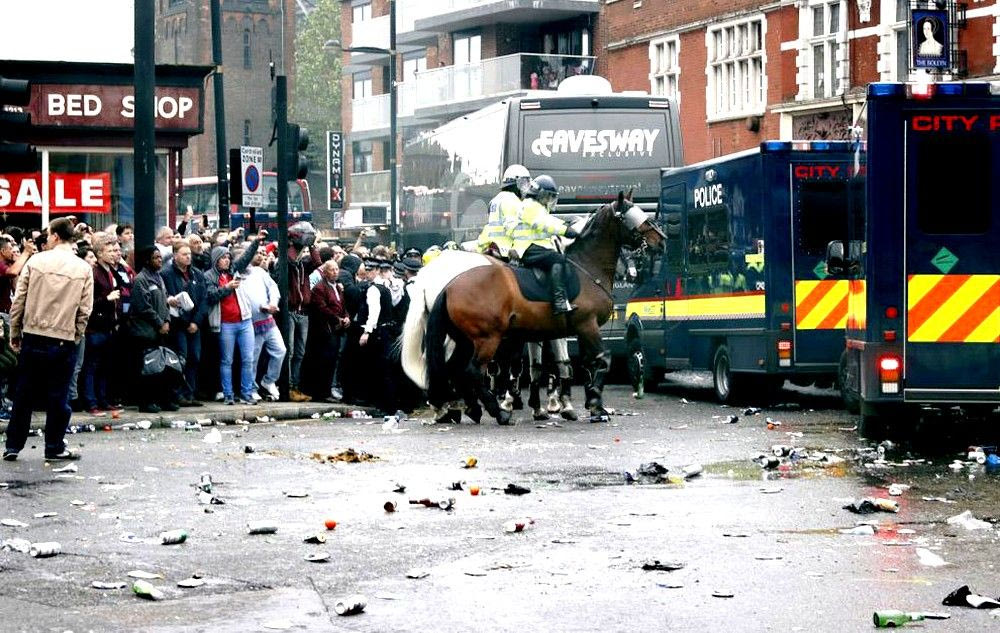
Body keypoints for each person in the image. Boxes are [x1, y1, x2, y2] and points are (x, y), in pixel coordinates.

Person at [4, 218, 93, 462]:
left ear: (54, 235)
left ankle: (13, 445)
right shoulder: (82, 268)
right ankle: (53, 446)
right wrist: (76, 334)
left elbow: (19, 300)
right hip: (63, 337)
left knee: (24, 395)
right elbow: (85, 309)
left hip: (34, 335)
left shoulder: (36, 262)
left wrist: (16, 332)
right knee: (58, 396)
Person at [508, 174, 580, 314]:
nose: (550, 200)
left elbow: (549, 221)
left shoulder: (536, 207)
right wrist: (566, 230)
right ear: (540, 194)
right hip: (527, 247)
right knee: (558, 259)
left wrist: (566, 225)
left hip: (532, 246)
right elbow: (544, 223)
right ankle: (559, 301)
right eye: (548, 196)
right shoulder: (531, 206)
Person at [206, 233, 263, 405]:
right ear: (216, 259)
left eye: (228, 257)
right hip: (226, 324)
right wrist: (227, 288)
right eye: (223, 258)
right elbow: (210, 296)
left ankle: (246, 394)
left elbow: (245, 258)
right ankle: (228, 394)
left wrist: (256, 242)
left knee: (248, 359)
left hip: (244, 321)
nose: (227, 260)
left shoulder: (233, 270)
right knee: (227, 360)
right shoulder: (209, 276)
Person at [129, 246, 180, 414]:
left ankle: (163, 399)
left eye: (160, 257)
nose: (159, 260)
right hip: (145, 331)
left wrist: (166, 320)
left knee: (162, 367)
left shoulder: (158, 278)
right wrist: (159, 323)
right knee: (147, 369)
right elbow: (143, 306)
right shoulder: (141, 279)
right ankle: (146, 402)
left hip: (160, 331)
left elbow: (164, 301)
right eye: (155, 257)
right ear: (147, 260)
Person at [160, 240, 209, 406]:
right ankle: (177, 393)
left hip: (195, 324)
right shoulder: (166, 274)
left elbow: (204, 299)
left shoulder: (197, 274)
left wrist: (196, 321)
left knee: (195, 357)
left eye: (189, 254)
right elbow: (166, 298)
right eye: (184, 254)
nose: (188, 257)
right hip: (178, 323)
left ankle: (190, 393)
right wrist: (185, 321)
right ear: (175, 255)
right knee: (181, 358)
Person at [81, 234, 122, 416]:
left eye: (115, 250)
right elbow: (88, 300)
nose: (114, 254)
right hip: (95, 327)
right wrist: (107, 299)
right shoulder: (94, 272)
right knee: (92, 366)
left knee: (105, 366)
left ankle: (103, 399)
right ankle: (91, 402)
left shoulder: (109, 271)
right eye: (110, 251)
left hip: (108, 325)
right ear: (99, 253)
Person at [283, 222, 322, 402]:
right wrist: (293, 243)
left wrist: (312, 245)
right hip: (290, 311)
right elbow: (290, 259)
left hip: (303, 313)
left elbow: (318, 263)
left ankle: (296, 386)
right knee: (289, 352)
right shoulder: (287, 262)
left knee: (299, 353)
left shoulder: (304, 266)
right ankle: (288, 386)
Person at [243, 245, 285, 401]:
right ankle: (251, 387)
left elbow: (273, 289)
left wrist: (273, 303)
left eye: (262, 253)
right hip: (250, 323)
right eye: (257, 253)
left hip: (267, 320)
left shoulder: (261, 272)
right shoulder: (238, 274)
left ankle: (268, 380)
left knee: (280, 350)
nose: (261, 256)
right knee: (252, 358)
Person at [305, 260, 349, 402]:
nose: (335, 272)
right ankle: (321, 393)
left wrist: (346, 317)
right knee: (323, 361)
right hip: (325, 329)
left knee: (332, 361)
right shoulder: (319, 288)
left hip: (337, 329)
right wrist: (338, 319)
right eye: (332, 270)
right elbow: (322, 308)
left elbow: (343, 306)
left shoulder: (337, 287)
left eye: (337, 269)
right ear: (325, 272)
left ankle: (327, 390)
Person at [477, 164, 530, 258]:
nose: (525, 188)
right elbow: (513, 228)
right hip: (505, 251)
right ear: (516, 183)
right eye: (523, 183)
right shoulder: (512, 200)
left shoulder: (495, 200)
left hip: (491, 246)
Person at [0, 237, 35, 320]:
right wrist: (26, 252)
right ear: (3, 251)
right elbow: (13, 272)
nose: (12, 252)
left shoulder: (8, 264)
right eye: (10, 249)